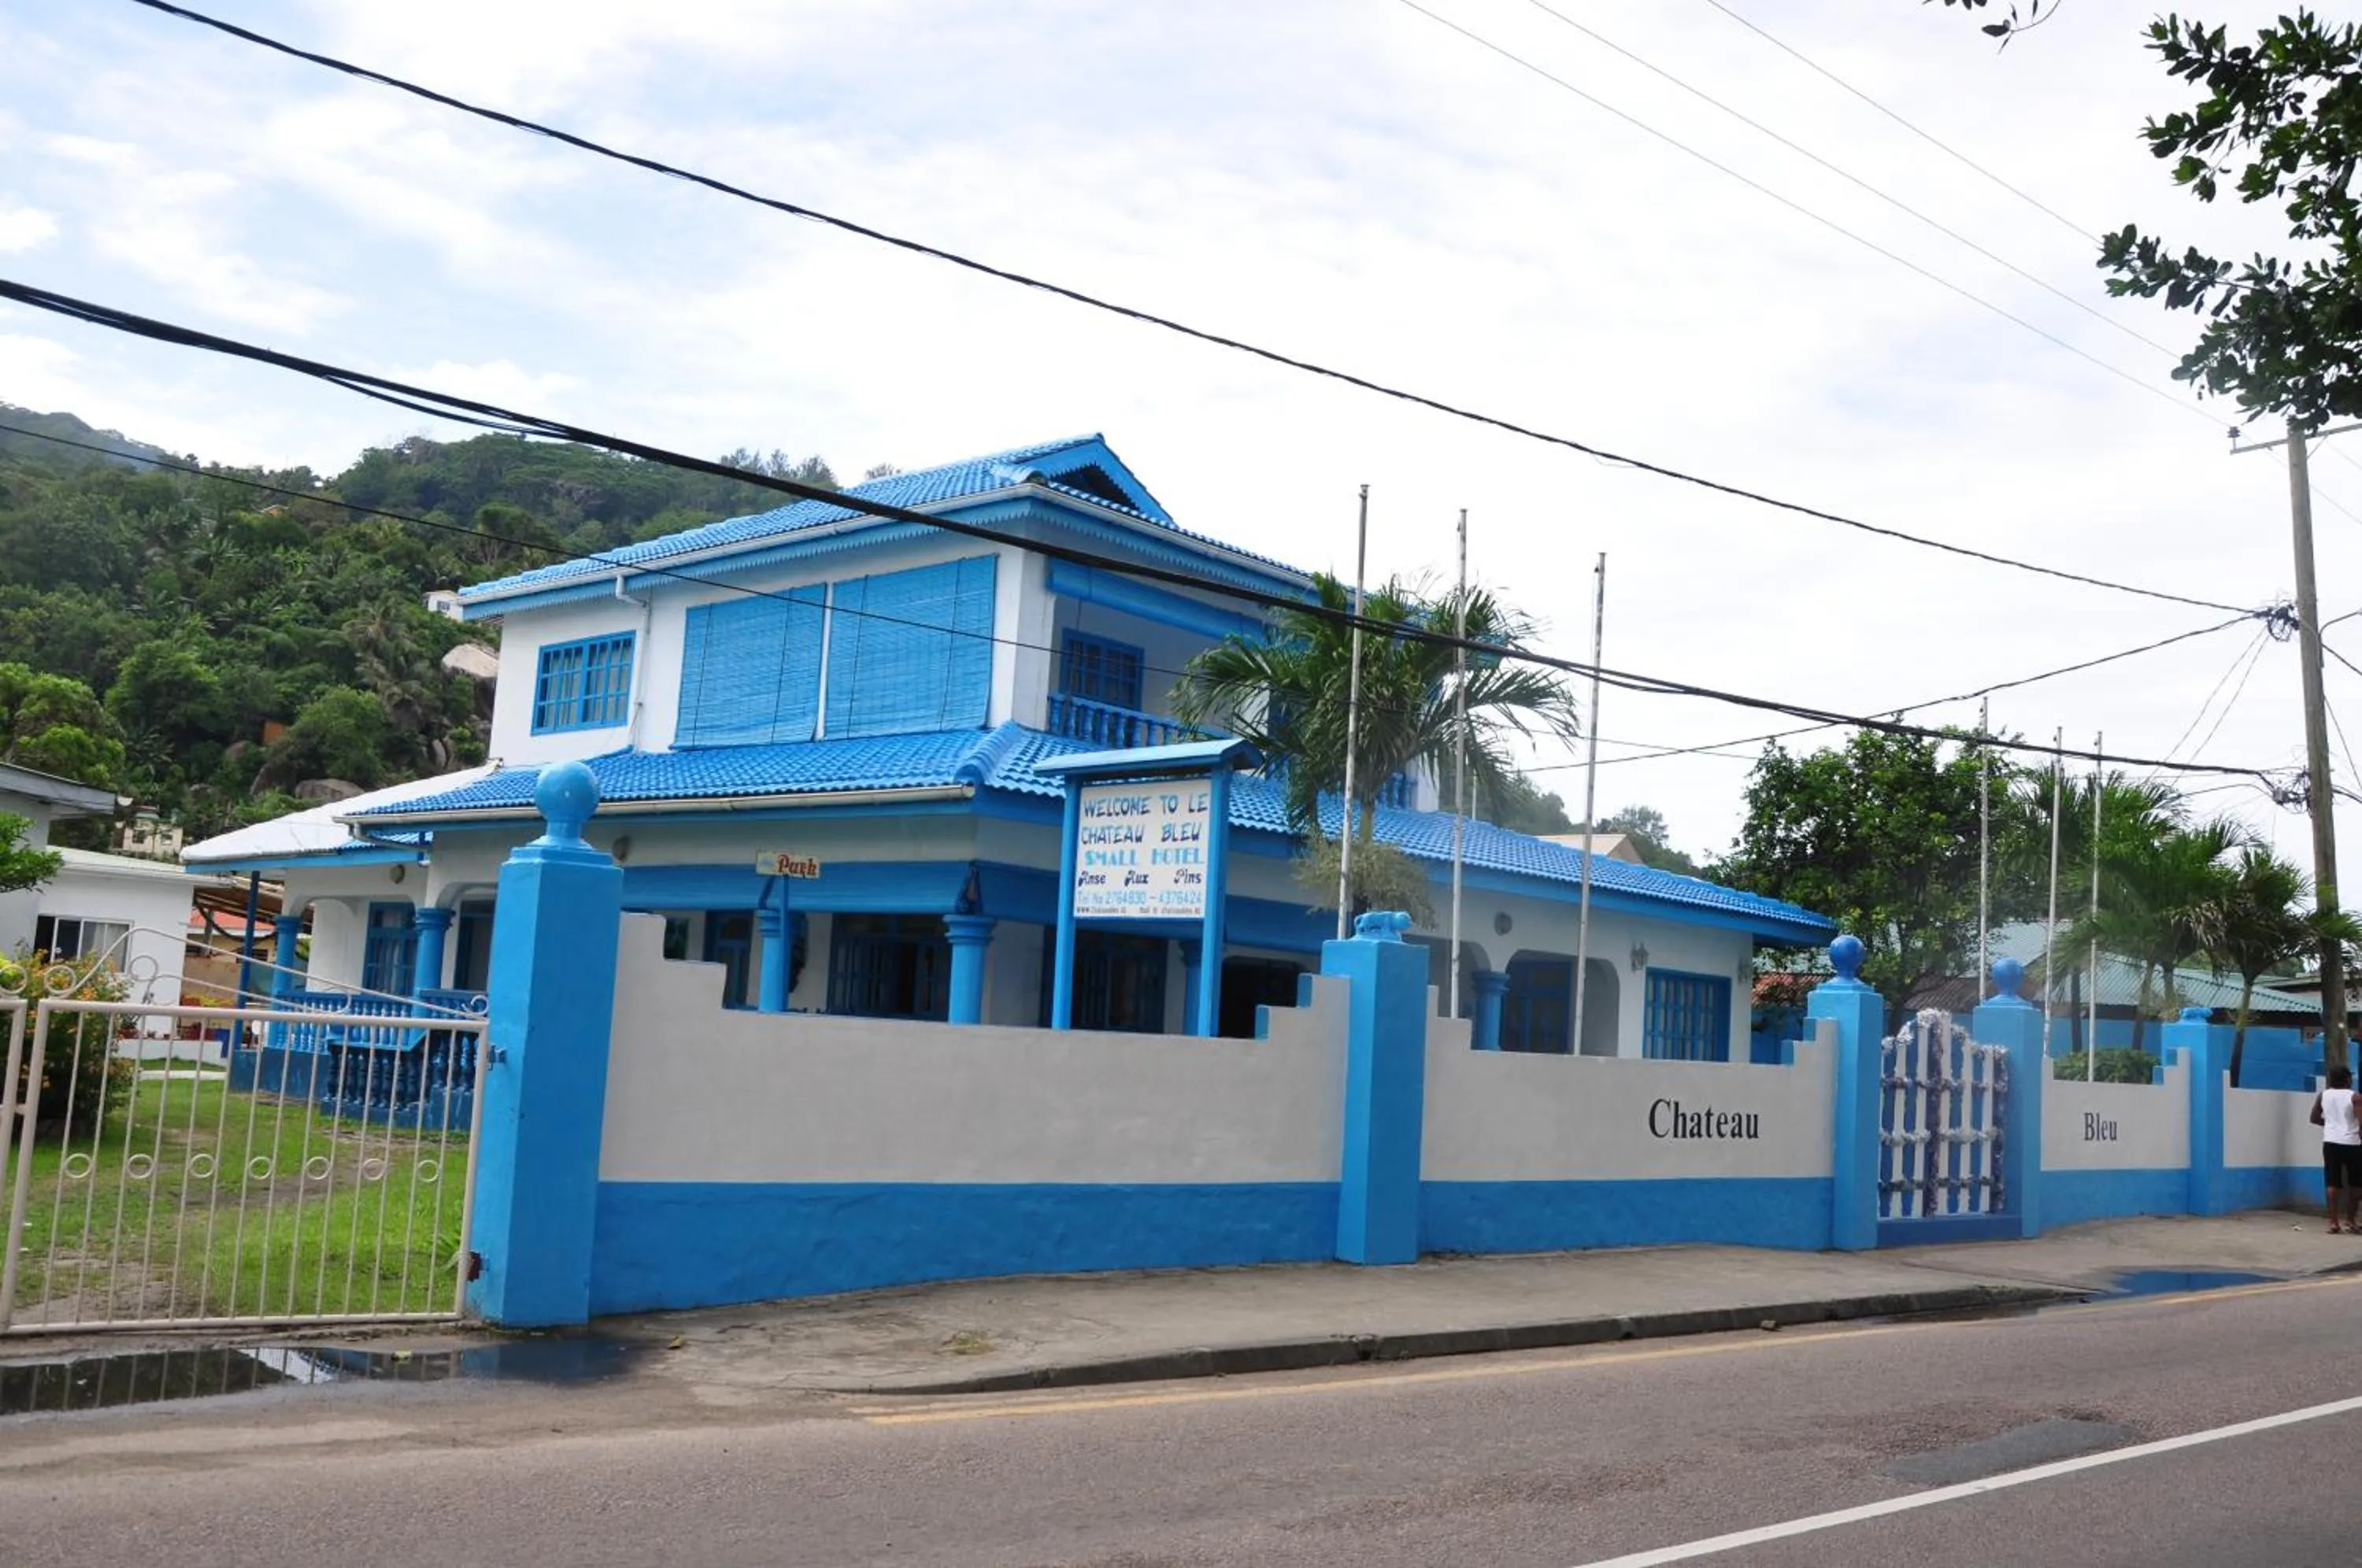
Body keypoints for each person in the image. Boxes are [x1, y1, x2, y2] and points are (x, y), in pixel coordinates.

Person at [2314, 1066, 2362, 1233]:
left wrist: (2330, 1126)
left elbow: (2314, 1118)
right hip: (2353, 1143)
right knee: (2356, 1184)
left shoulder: (2323, 1095)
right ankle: (2350, 1221)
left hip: (2330, 1142)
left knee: (2332, 1183)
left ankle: (2333, 1223)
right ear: (2347, 1079)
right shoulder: (2355, 1097)